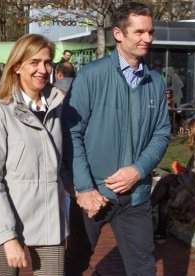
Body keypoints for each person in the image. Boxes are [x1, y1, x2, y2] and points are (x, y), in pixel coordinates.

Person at [62, 2, 170, 275]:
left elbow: (161, 133)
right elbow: (71, 132)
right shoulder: (91, 76)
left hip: (136, 196)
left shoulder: (155, 82)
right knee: (75, 261)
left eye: (151, 32)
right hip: (94, 195)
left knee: (144, 268)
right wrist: (85, 188)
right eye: (140, 32)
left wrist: (138, 170)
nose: (148, 38)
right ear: (119, 33)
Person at [0, 34, 68, 275]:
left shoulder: (58, 106)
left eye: (47, 63)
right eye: (34, 62)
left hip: (50, 219)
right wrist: (7, 236)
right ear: (17, 66)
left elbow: (65, 162)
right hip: (6, 218)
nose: (43, 70)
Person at [151, 117, 195, 243]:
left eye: (190, 131)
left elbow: (194, 184)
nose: (188, 134)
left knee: (165, 188)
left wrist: (179, 174)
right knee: (167, 181)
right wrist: (184, 172)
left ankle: (152, 220)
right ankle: (155, 226)